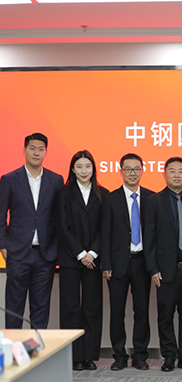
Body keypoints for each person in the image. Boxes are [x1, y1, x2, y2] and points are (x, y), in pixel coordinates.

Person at [0, 132, 63, 329]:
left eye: (41, 149)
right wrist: (3, 245)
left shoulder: (56, 180)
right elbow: (1, 214)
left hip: (45, 255)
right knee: (14, 308)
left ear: (46, 152)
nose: (36, 153)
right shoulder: (10, 179)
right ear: (24, 150)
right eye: (32, 148)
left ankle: (37, 349)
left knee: (40, 309)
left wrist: (56, 247)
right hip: (18, 253)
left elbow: (60, 217)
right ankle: (14, 349)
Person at [144, 157, 182, 372]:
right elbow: (149, 238)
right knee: (165, 316)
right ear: (164, 174)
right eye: (172, 171)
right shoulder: (153, 201)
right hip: (166, 270)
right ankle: (168, 356)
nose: (177, 175)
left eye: (181, 171)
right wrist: (152, 268)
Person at [55, 150, 109, 371]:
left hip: (93, 261)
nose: (84, 171)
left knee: (92, 308)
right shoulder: (64, 193)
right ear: (72, 169)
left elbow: (104, 228)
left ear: (93, 169)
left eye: (88, 166)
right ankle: (74, 356)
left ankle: (89, 356)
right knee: (70, 308)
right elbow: (62, 227)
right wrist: (80, 253)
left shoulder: (103, 193)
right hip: (70, 259)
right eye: (79, 167)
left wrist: (92, 253)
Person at [101, 153, 154, 371]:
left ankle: (140, 355)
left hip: (142, 263)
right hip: (117, 264)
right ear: (121, 171)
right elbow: (105, 233)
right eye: (128, 169)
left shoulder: (151, 198)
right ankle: (119, 356)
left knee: (142, 311)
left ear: (142, 170)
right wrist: (106, 264)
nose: (133, 173)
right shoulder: (110, 198)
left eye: (136, 169)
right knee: (117, 312)